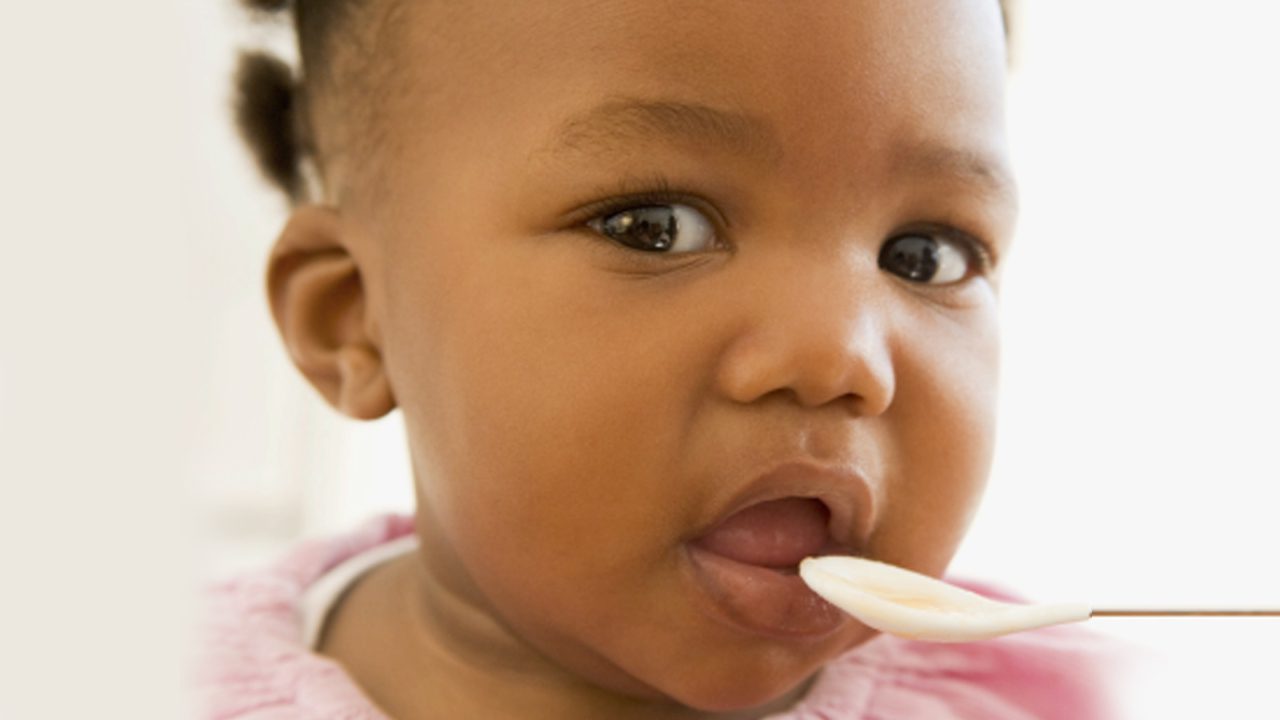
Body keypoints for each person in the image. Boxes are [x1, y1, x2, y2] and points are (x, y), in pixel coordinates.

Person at [201, 0, 1119, 717]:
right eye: (655, 228)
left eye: (925, 255)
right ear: (353, 318)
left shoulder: (1046, 700)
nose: (836, 356)